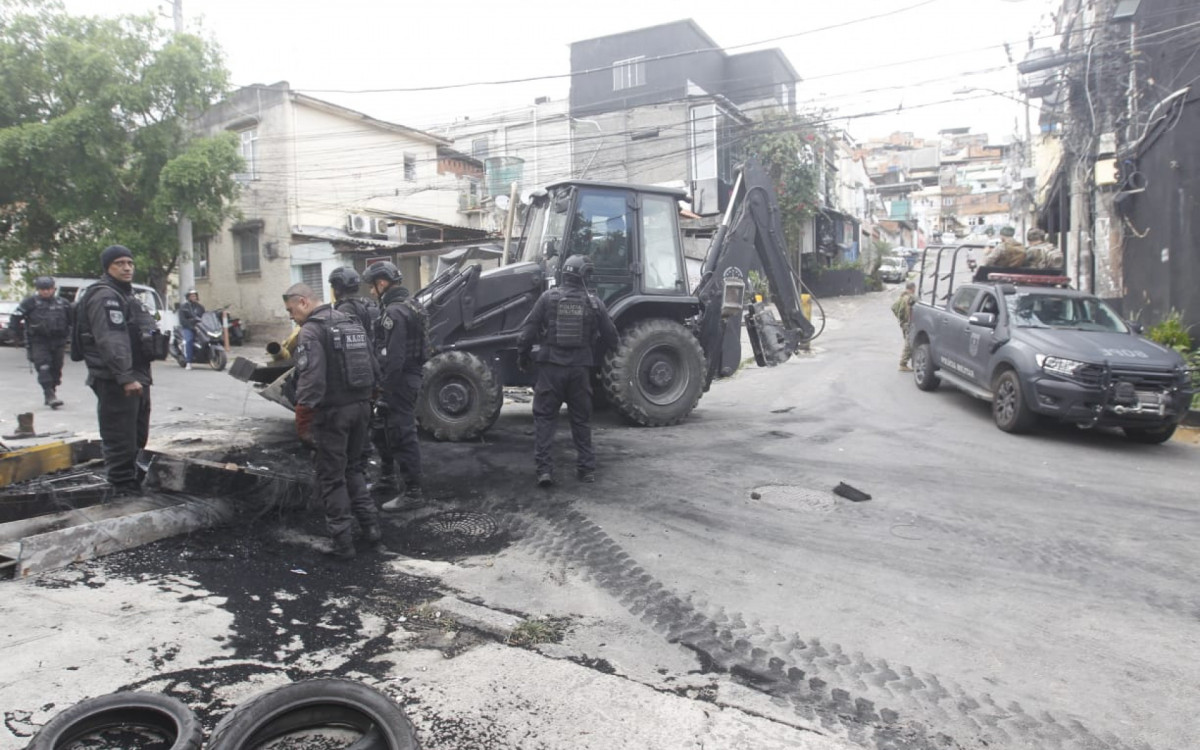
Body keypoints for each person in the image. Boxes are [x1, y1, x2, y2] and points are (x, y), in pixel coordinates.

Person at [283, 282, 380, 560]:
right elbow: (374, 366)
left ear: (303, 302)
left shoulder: (312, 331)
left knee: (332, 478)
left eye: (291, 310)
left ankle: (343, 544)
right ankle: (371, 529)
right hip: (361, 409)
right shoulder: (350, 322)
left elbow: (311, 380)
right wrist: (371, 399)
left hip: (333, 415)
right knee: (354, 469)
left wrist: (303, 418)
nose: (291, 317)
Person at [516, 254, 619, 487]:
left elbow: (527, 333)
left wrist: (523, 357)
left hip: (551, 369)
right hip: (579, 371)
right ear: (584, 276)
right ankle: (586, 469)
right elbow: (612, 338)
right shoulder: (594, 303)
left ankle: (544, 471)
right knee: (581, 420)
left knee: (545, 420)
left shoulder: (547, 298)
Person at [77, 245, 163, 495]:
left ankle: (132, 482)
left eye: (130, 263)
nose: (127, 268)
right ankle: (121, 489)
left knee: (137, 435)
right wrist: (125, 377)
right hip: (117, 379)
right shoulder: (106, 296)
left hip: (136, 375)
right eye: (120, 263)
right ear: (108, 267)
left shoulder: (125, 294)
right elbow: (112, 340)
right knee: (120, 437)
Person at [363, 261, 427, 510]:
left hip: (399, 382)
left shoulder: (394, 312)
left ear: (382, 283)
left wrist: (384, 391)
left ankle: (413, 493)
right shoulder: (411, 304)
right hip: (406, 379)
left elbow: (395, 358)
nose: (371, 292)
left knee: (402, 435)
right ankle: (387, 478)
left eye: (372, 287)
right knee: (383, 431)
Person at [328, 266, 393, 493]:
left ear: (337, 288)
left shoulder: (343, 310)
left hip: (352, 378)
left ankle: (357, 480)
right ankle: (368, 475)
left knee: (353, 436)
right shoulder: (366, 306)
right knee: (366, 427)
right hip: (368, 373)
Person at [12, 276, 73, 408]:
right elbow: (15, 317)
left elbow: (73, 321)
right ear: (38, 290)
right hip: (39, 341)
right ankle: (49, 395)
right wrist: (17, 335)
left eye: (48, 289)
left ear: (53, 289)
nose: (45, 292)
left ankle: (52, 391)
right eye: (42, 289)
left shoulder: (63, 303)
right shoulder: (30, 302)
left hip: (59, 341)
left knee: (56, 369)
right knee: (43, 367)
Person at [177, 289, 205, 370]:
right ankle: (188, 362)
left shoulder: (200, 307)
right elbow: (182, 320)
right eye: (192, 296)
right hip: (188, 328)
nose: (194, 297)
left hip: (200, 327)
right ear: (188, 297)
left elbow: (205, 317)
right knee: (189, 340)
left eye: (195, 296)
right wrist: (191, 327)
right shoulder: (184, 307)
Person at [893, 281, 917, 372]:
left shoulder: (902, 296)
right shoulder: (909, 298)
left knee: (908, 342)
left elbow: (894, 308)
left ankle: (907, 362)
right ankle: (903, 364)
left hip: (903, 323)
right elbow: (908, 312)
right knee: (909, 344)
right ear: (913, 288)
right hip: (908, 323)